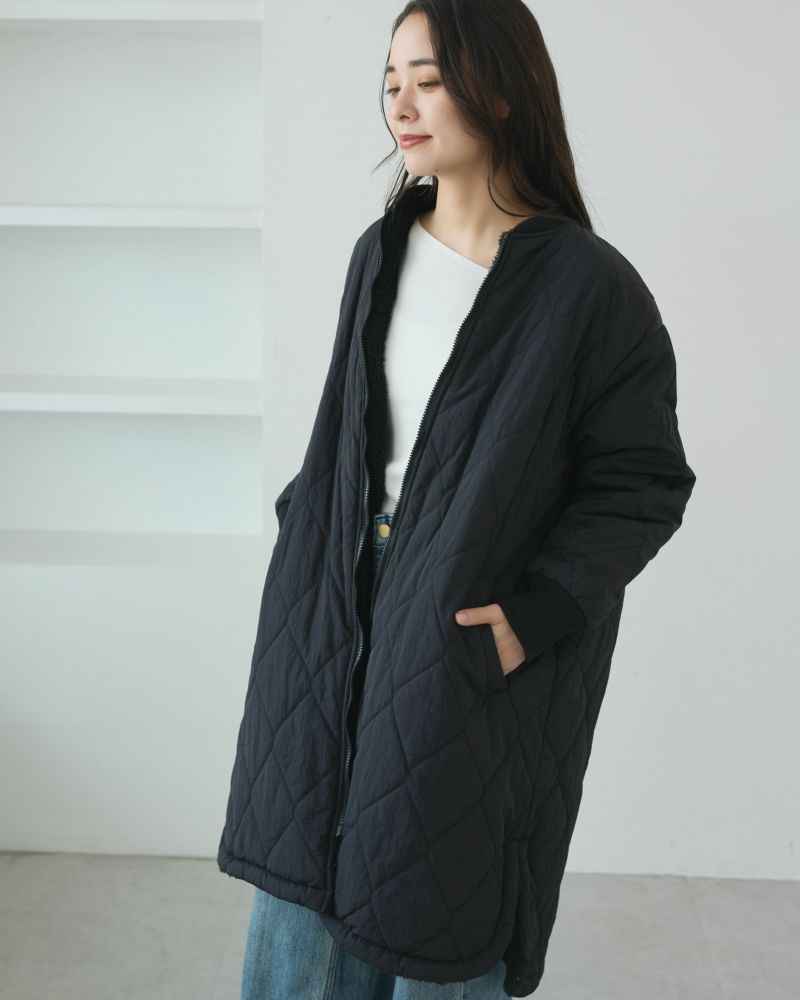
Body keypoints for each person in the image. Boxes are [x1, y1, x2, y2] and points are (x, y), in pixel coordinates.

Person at [219, 2, 698, 998]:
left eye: (429, 79)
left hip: (463, 622)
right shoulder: (379, 251)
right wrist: (309, 534)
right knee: (302, 877)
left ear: (502, 90)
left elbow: (641, 480)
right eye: (391, 81)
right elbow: (351, 433)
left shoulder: (590, 290)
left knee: (430, 888)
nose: (401, 103)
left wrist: (537, 614)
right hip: (332, 609)